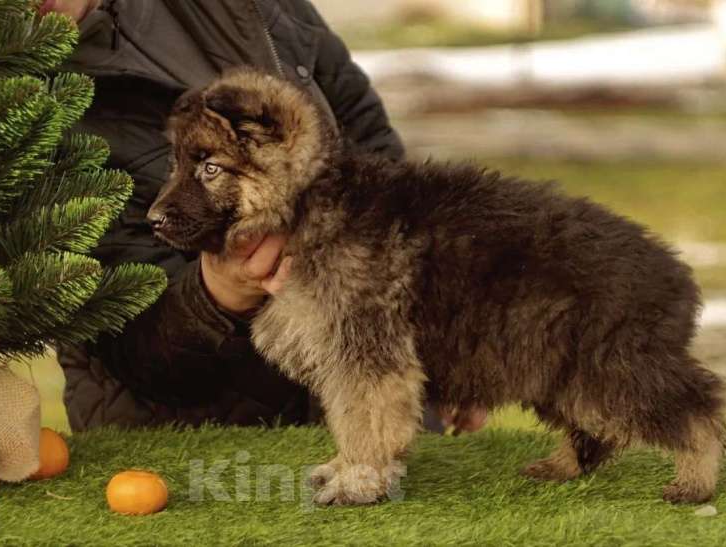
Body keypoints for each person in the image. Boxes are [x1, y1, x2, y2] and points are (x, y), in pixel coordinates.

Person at [46, 0, 486, 434]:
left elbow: (372, 146)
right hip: (202, 445)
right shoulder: (22, 101)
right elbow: (121, 338)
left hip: (375, 393)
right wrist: (214, 295)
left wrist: (445, 323)